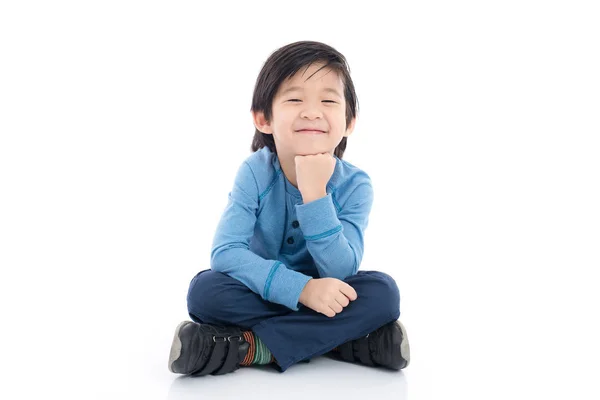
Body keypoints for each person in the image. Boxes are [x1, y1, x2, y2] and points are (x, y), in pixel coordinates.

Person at [168, 40, 410, 376]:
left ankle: (250, 348)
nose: (312, 111)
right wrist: (301, 290)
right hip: (262, 289)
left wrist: (315, 195)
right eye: (295, 99)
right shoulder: (255, 171)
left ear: (349, 121)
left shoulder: (356, 185)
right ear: (263, 118)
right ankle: (343, 342)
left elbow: (341, 271)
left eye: (328, 100)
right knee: (205, 292)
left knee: (383, 294)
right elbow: (226, 253)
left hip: (327, 295)